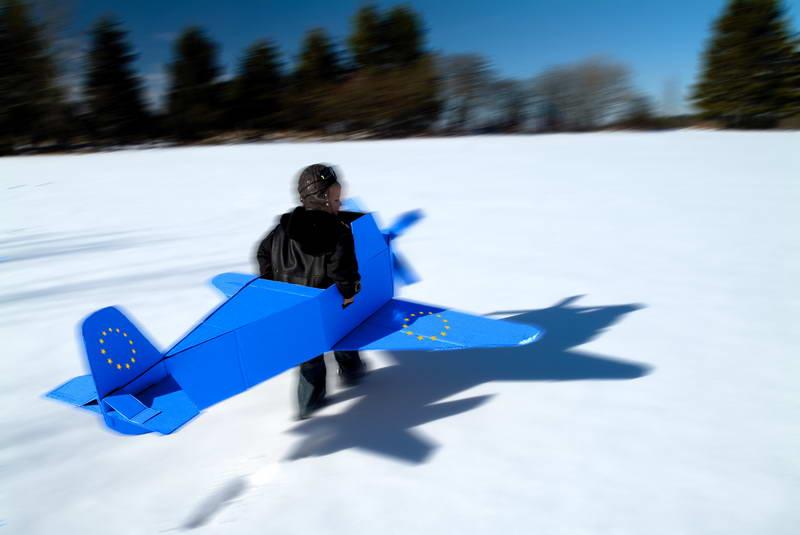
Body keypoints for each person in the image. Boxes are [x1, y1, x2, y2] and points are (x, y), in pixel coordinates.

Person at [256, 164, 366, 419]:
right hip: (327, 309)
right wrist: (350, 293)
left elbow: (262, 253)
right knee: (346, 334)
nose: (341, 203)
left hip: (293, 310)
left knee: (309, 358)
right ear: (323, 198)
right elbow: (344, 270)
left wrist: (273, 283)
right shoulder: (338, 232)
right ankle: (353, 375)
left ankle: (309, 409)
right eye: (337, 199)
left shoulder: (283, 228)